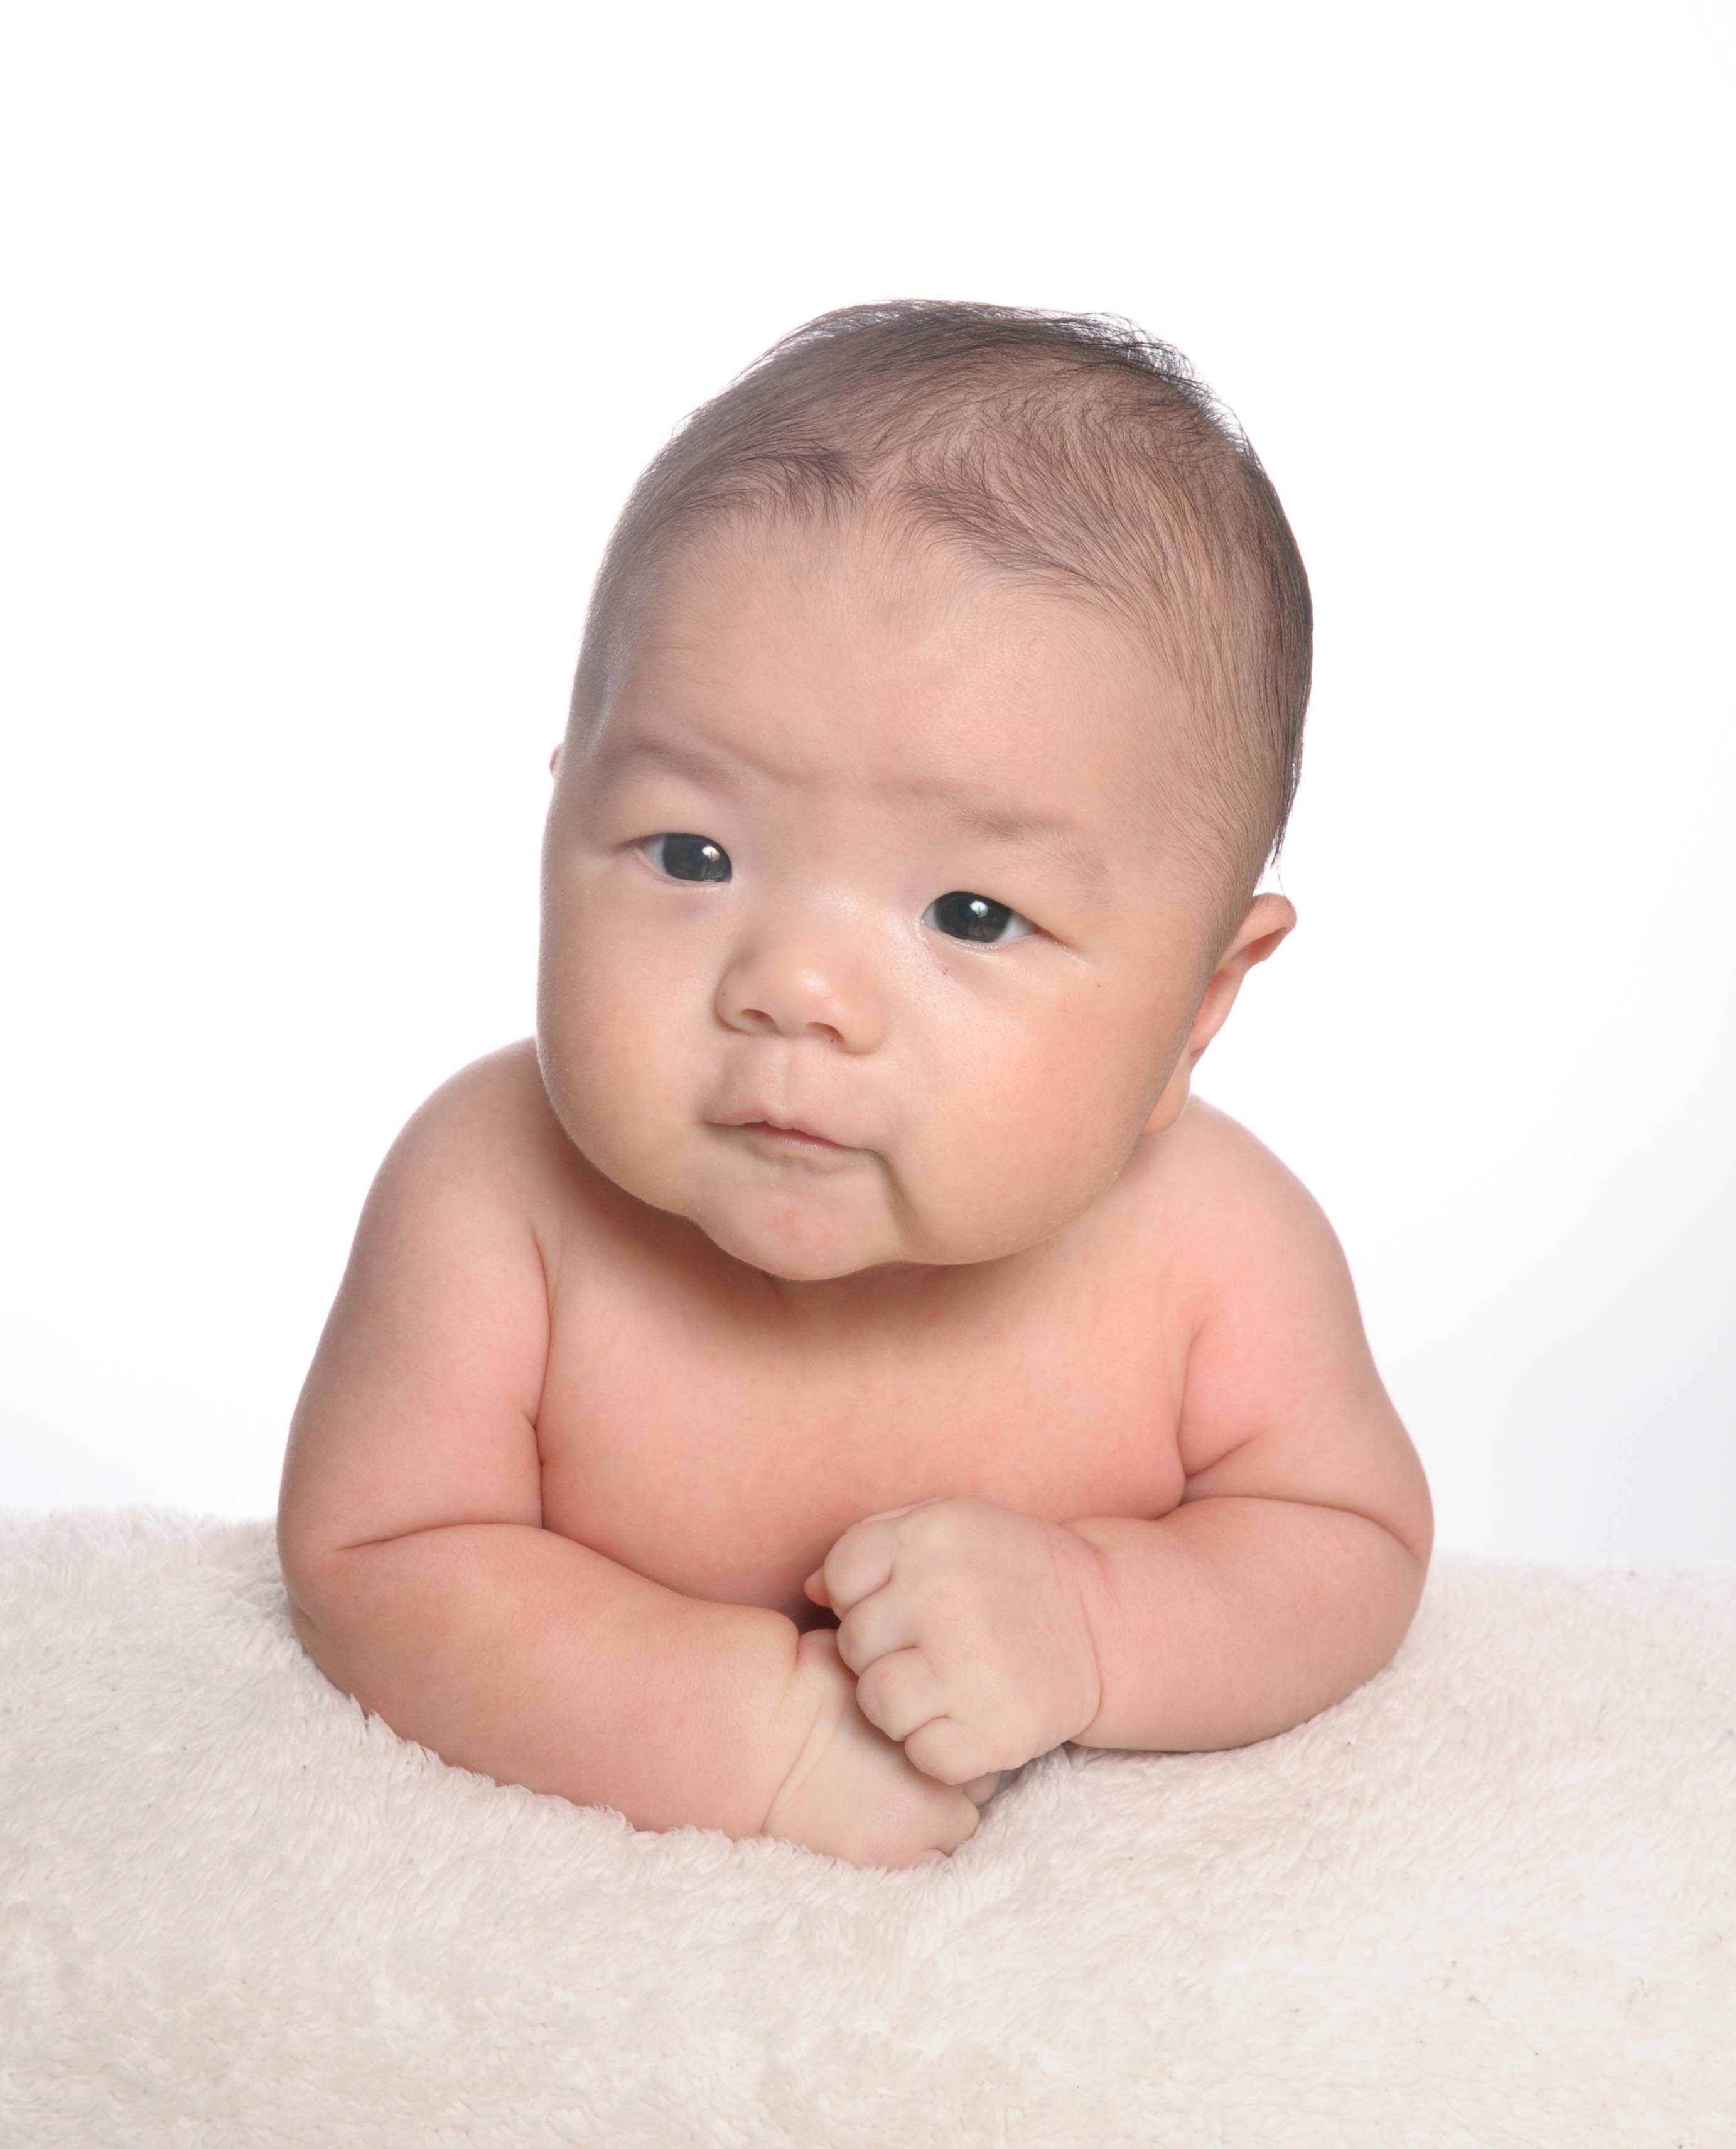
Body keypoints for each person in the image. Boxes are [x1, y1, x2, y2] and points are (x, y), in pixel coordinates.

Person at [276, 299, 1434, 1871]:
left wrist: (1096, 1619)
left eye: (973, 913)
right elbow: (375, 1556)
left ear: (1199, 1007)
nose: (796, 990)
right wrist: (749, 1731)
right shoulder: (492, 1197)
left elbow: (1348, 1544)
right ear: (561, 823)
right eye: (693, 854)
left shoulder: (1218, 1254)